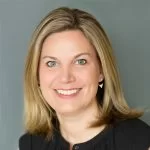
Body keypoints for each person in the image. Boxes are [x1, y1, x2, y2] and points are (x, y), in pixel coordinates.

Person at [19, 7, 150, 150]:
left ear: (101, 70)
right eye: (52, 63)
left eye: (80, 61)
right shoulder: (31, 143)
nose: (65, 77)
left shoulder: (139, 141)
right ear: (36, 75)